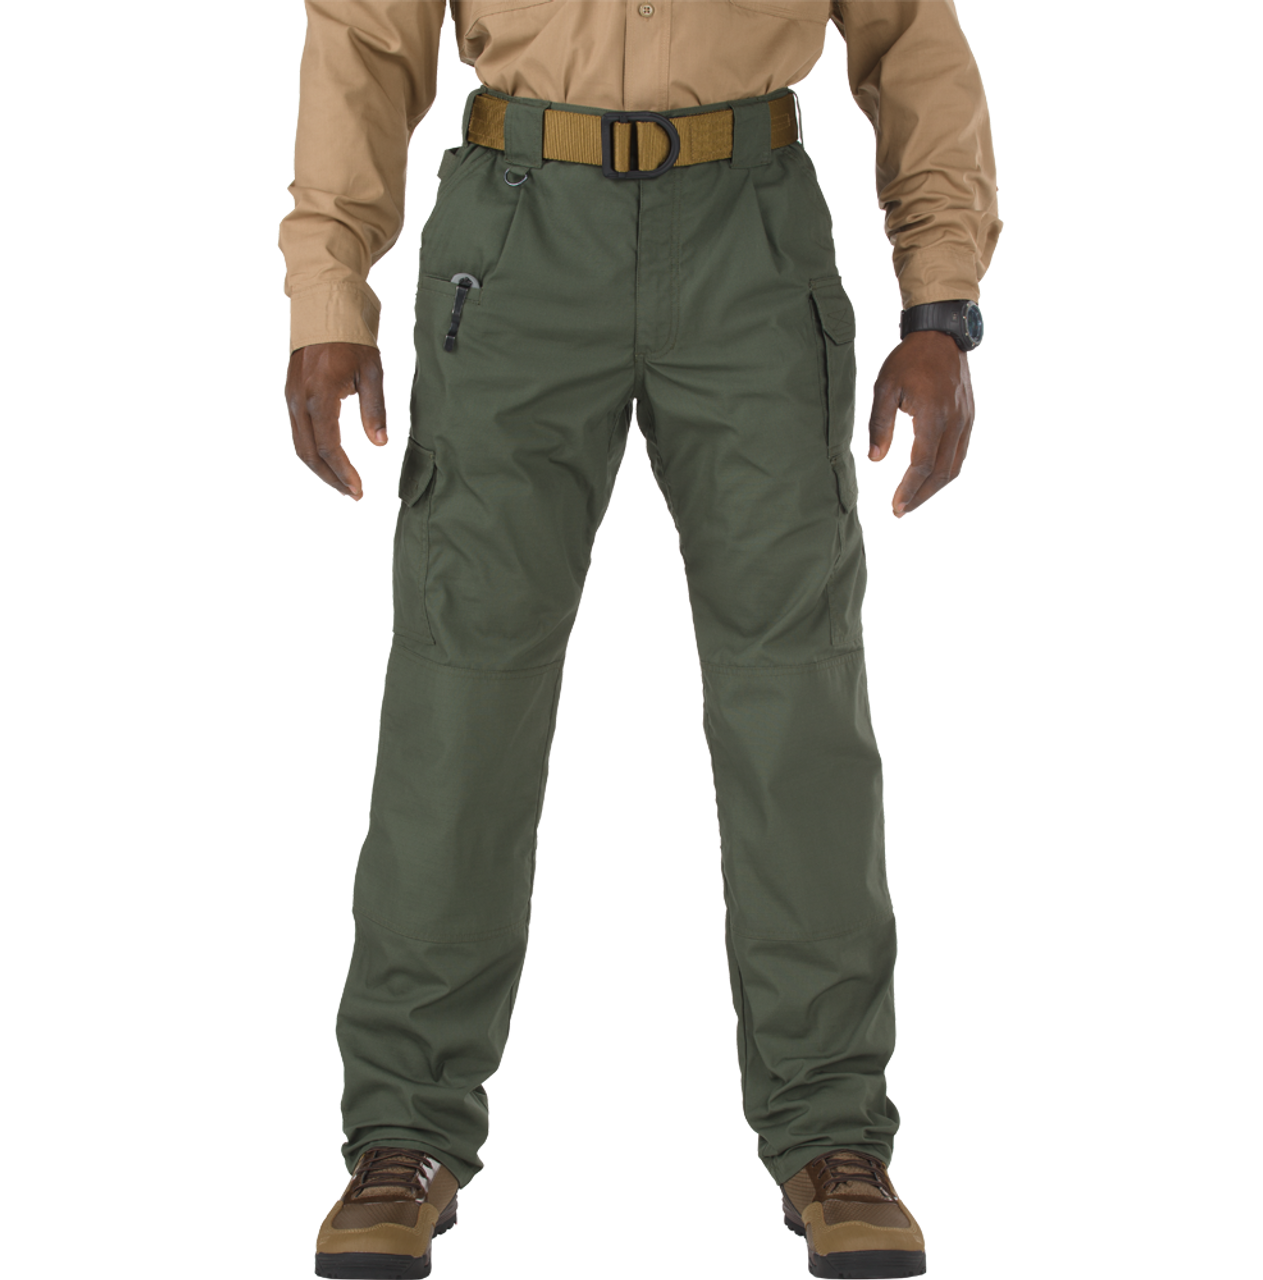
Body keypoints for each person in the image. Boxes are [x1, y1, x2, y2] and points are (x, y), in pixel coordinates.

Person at [280, 3, 1002, 1277]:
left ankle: (835, 1132)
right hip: (514, 236)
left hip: (750, 230)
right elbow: (365, 38)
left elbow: (911, 39)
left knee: (797, 699)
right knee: (460, 693)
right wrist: (327, 291)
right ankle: (402, 1130)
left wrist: (939, 304)